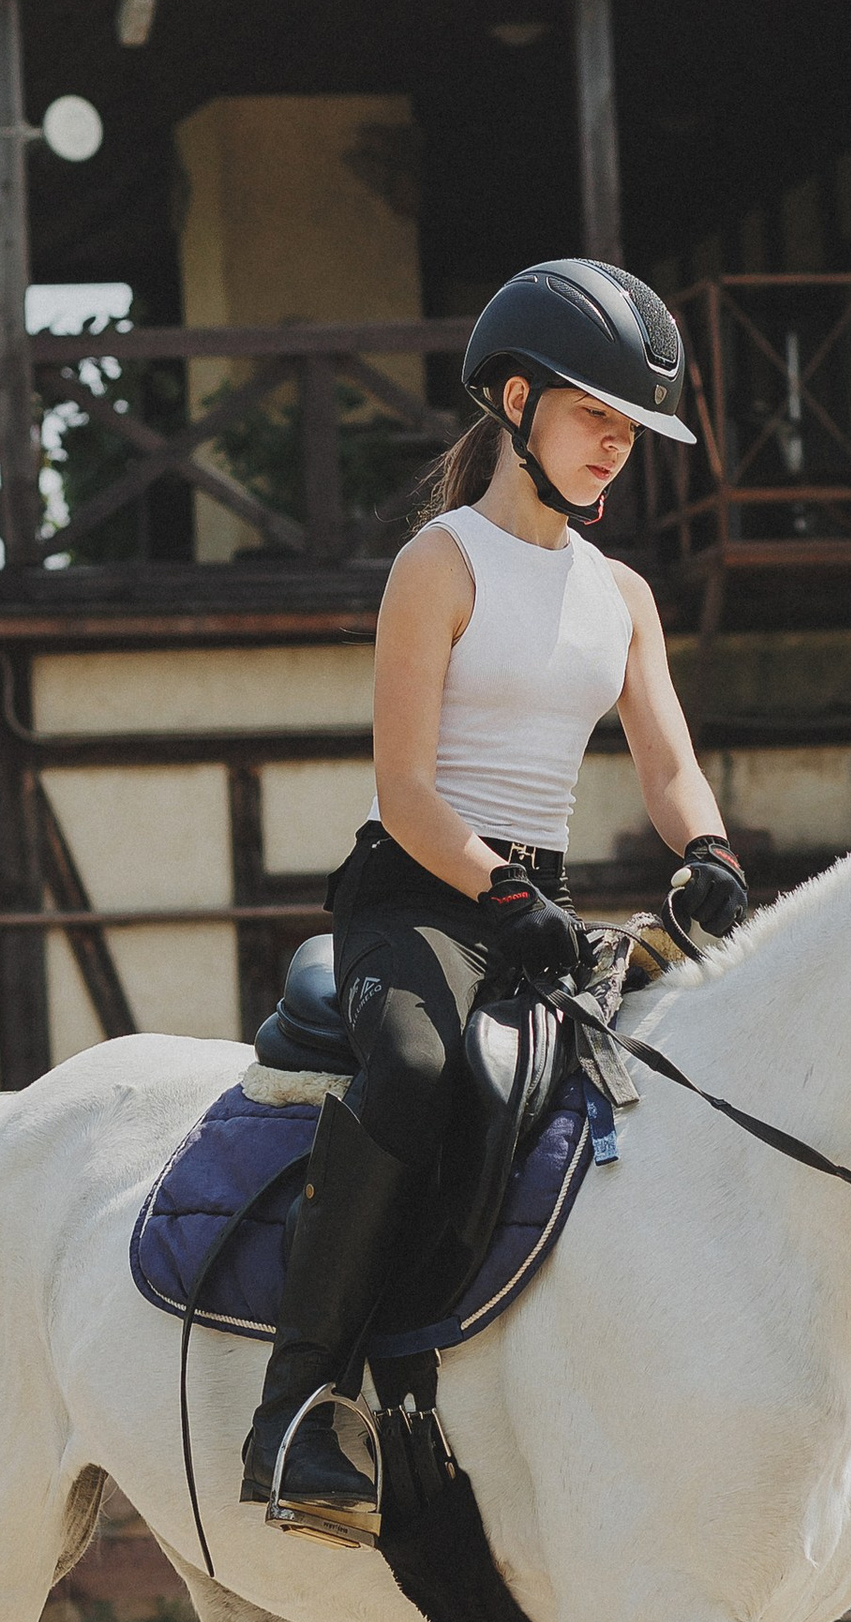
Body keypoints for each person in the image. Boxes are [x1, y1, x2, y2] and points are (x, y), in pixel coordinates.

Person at [241, 258, 752, 1548]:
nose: (614, 451)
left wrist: (709, 853)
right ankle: (296, 1409)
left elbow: (669, 760)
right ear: (517, 403)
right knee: (417, 1069)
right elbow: (406, 789)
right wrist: (504, 896)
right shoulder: (440, 562)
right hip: (419, 893)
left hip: (539, 902)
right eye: (596, 420)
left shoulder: (620, 596)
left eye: (631, 433)